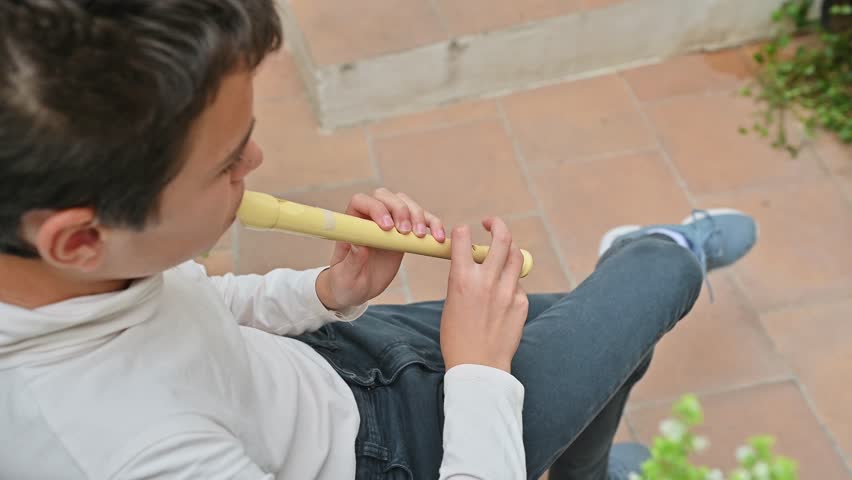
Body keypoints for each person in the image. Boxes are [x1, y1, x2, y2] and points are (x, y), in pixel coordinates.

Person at [0, 1, 757, 479]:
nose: (256, 164)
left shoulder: (75, 269)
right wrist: (479, 378)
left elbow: (199, 306)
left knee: (609, 350)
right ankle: (660, 246)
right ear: (79, 239)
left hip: (333, 365)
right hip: (402, 453)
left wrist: (328, 293)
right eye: (229, 163)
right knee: (653, 287)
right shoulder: (122, 454)